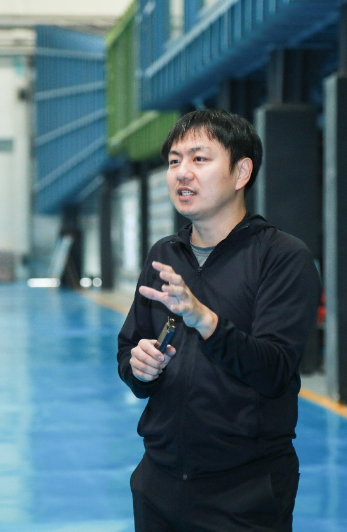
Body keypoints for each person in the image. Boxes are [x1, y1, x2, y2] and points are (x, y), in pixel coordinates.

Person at [117, 109, 320, 532]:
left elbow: (275, 370)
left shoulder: (282, 258)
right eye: (174, 161)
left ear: (241, 172)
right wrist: (139, 367)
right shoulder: (164, 254)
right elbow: (129, 349)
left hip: (244, 491)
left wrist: (205, 320)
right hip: (159, 481)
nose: (182, 172)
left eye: (199, 159)